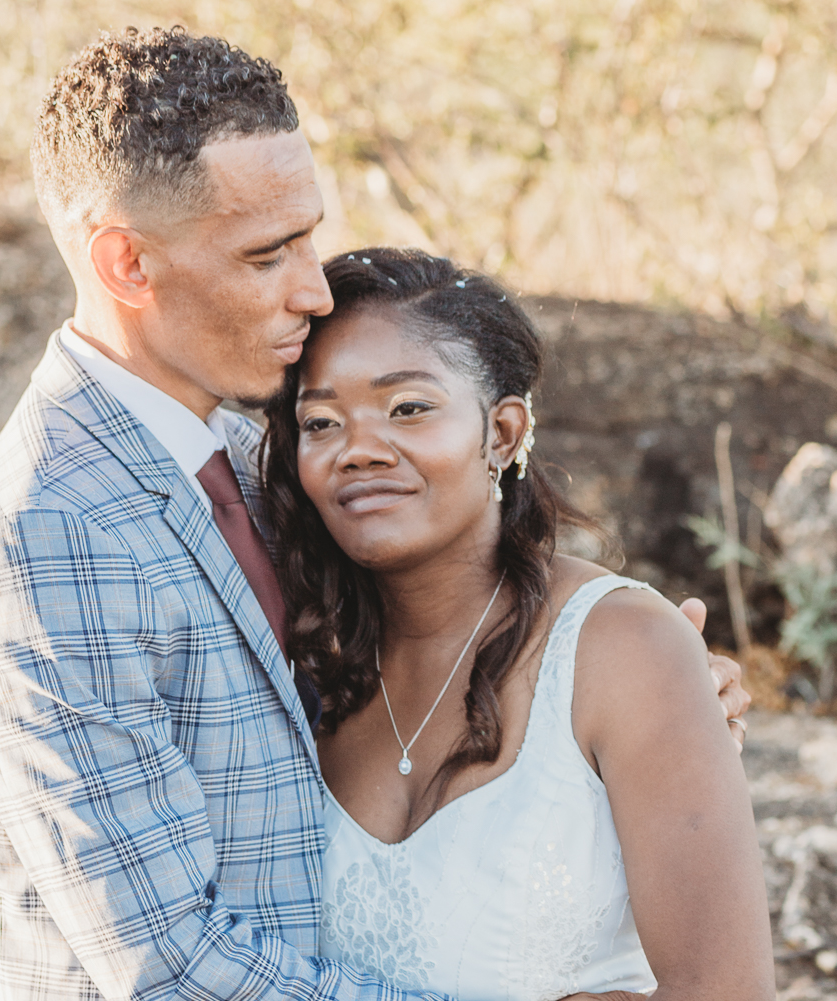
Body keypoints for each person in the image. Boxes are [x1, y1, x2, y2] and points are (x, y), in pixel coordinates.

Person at [0, 26, 752, 1001]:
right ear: (127, 264)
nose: (313, 290)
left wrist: (652, 695)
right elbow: (172, 969)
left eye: (308, 237)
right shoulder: (48, 536)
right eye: (267, 254)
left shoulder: (247, 467)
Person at [261, 248, 774, 1001]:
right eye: (321, 421)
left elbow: (726, 989)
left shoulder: (620, 646)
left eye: (409, 408)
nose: (359, 450)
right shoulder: (304, 665)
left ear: (502, 432)